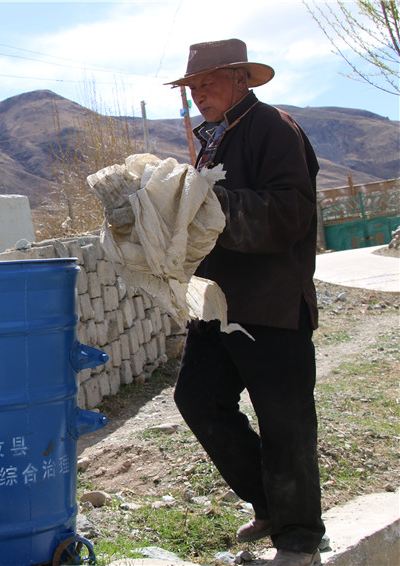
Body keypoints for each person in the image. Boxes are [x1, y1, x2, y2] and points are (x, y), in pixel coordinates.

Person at [163, 39, 325, 566]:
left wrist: (211, 204)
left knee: (284, 422)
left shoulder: (273, 128)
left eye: (207, 81)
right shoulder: (214, 140)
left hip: (272, 304)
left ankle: (299, 537)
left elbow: (290, 211)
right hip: (218, 305)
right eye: (192, 86)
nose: (198, 93)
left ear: (241, 78)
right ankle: (272, 505)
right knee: (198, 400)